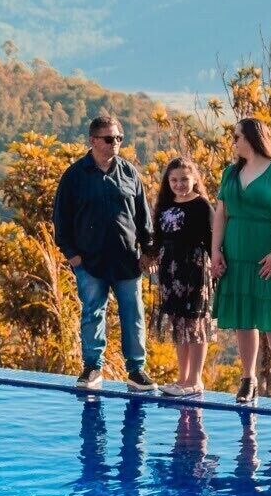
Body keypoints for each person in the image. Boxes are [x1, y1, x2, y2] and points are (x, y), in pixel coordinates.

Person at [211, 116, 271, 408]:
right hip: (235, 254)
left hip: (268, 255)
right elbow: (221, 214)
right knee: (245, 318)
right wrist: (216, 251)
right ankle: (248, 378)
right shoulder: (231, 173)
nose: (233, 142)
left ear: (252, 138)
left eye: (237, 136)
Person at [53, 113, 155, 392]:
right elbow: (61, 220)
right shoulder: (75, 176)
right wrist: (73, 257)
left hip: (126, 260)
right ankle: (92, 367)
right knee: (92, 313)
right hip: (90, 261)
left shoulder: (129, 172)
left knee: (133, 314)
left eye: (119, 138)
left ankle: (136, 370)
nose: (115, 144)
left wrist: (148, 250)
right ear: (93, 140)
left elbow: (143, 215)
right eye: (109, 139)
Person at [144, 156, 216, 397]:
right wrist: (151, 258)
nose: (179, 184)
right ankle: (182, 378)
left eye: (184, 179)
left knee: (195, 324)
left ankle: (194, 380)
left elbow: (212, 239)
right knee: (179, 324)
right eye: (174, 180)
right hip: (169, 271)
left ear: (194, 179)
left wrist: (217, 265)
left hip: (194, 270)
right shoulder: (164, 204)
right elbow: (159, 238)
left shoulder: (202, 206)